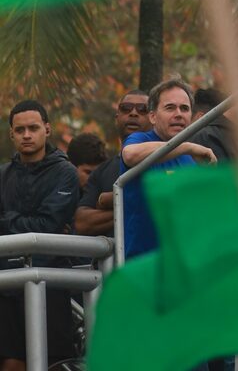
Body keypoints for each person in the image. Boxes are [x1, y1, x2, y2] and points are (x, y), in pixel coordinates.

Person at [0, 100, 80, 369]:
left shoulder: (66, 172)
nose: (26, 135)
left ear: (47, 129)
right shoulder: (3, 175)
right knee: (11, 363)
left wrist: (6, 221)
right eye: (19, 129)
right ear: (11, 133)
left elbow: (46, 226)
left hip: (51, 285)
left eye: (33, 128)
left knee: (51, 363)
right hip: (7, 286)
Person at [120, 79, 216, 258]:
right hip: (143, 266)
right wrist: (187, 147)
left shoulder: (193, 159)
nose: (179, 114)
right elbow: (130, 155)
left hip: (182, 265)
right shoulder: (140, 139)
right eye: (170, 108)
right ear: (152, 116)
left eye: (184, 109)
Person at [74, 90, 151, 237]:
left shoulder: (165, 161)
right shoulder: (102, 170)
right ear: (117, 117)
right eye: (126, 108)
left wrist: (109, 202)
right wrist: (136, 205)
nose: (134, 113)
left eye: (143, 109)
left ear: (154, 118)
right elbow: (82, 223)